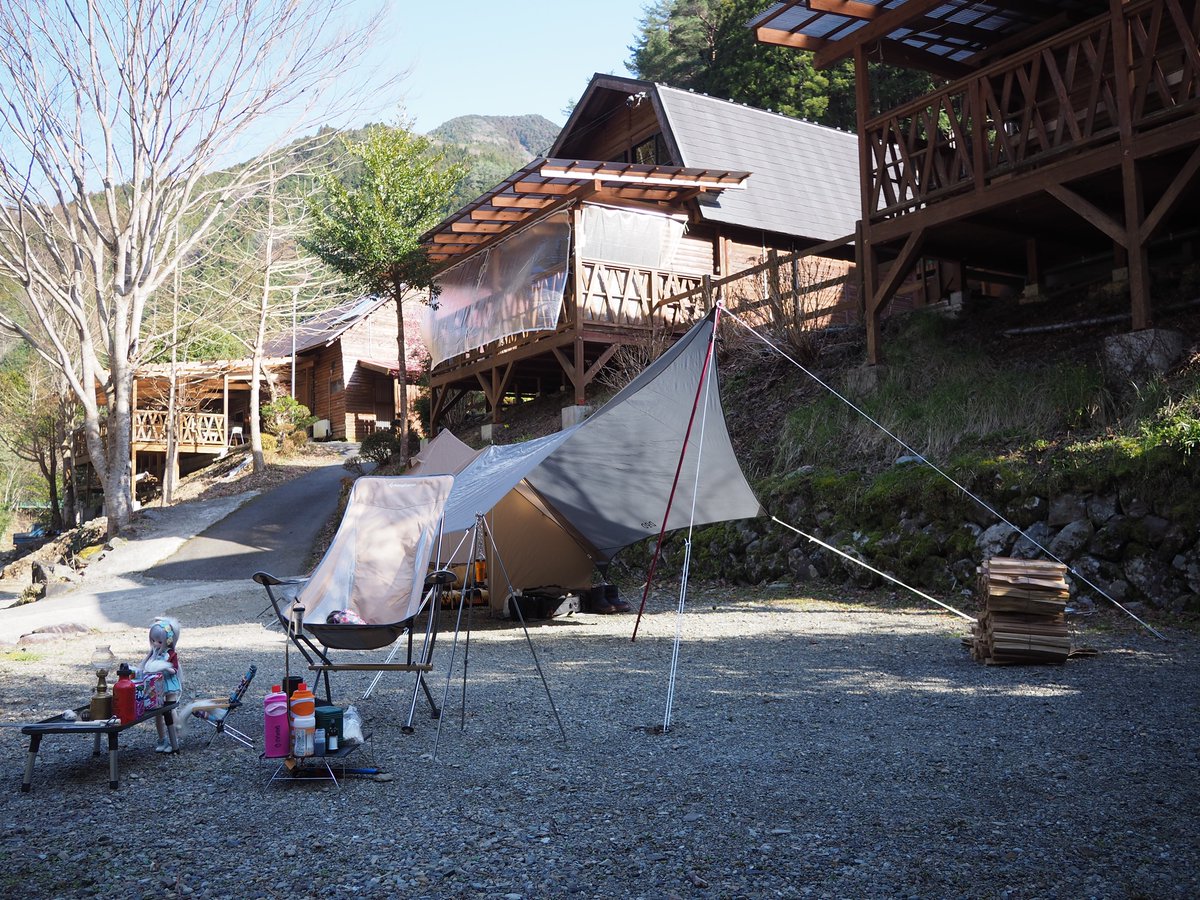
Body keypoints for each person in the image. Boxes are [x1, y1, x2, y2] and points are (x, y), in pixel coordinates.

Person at [140, 616, 182, 753]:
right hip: (155, 685)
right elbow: (145, 666)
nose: (155, 644)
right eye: (152, 640)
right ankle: (162, 739)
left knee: (170, 710)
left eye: (158, 641)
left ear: (167, 640)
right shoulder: (153, 654)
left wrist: (164, 667)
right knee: (157, 713)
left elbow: (174, 670)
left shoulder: (170, 654)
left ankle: (174, 738)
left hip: (169, 685)